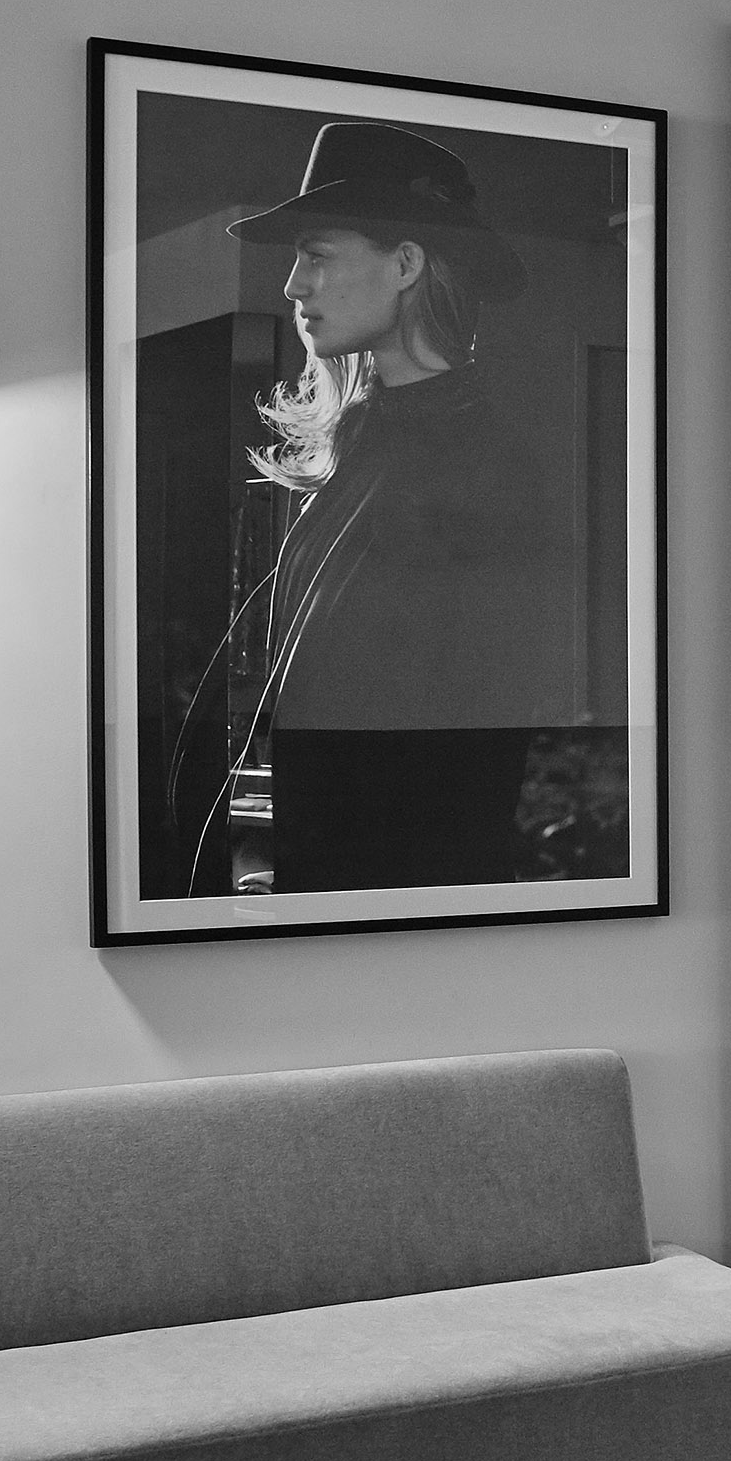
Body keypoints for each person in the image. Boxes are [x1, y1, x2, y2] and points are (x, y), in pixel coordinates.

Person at [226, 119, 562, 895]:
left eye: (317, 254)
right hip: (332, 899)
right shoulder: (358, 444)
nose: (294, 285)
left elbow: (471, 742)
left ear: (406, 263)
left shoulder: (485, 464)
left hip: (404, 907)